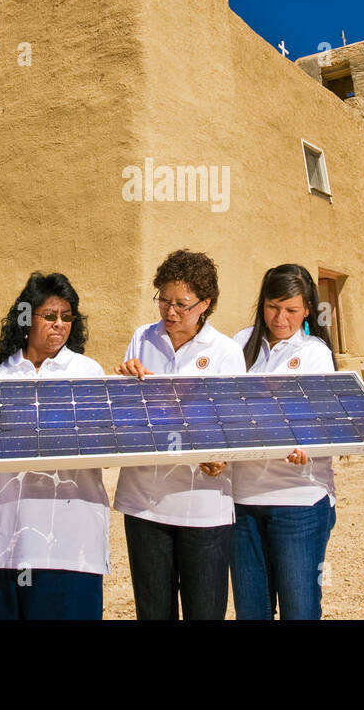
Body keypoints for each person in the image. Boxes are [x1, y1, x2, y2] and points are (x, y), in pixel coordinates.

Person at [0, 272, 111, 620]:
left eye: (67, 317)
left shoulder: (88, 373)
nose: (60, 325)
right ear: (26, 318)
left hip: (68, 548)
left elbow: (105, 439)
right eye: (50, 316)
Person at [113, 249, 245, 620]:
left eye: (182, 305)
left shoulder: (225, 352)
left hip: (202, 507)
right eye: (164, 301)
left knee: (205, 610)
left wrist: (220, 456)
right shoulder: (143, 338)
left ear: (205, 304)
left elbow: (233, 425)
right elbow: (127, 414)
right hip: (144, 503)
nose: (170, 312)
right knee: (153, 611)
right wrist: (124, 381)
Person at [229, 264, 338, 620]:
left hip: (299, 501)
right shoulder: (239, 344)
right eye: (273, 307)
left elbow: (322, 421)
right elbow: (218, 406)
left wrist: (306, 445)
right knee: (252, 611)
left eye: (292, 310)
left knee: (300, 610)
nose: (281, 318)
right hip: (242, 500)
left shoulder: (315, 352)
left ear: (308, 309)